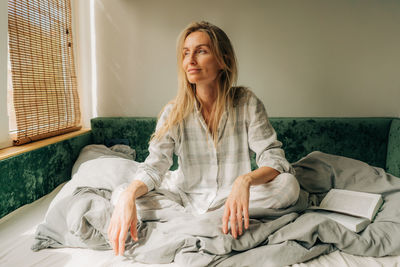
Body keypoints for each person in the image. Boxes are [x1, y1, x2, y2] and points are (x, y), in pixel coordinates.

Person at [107, 21, 300, 256]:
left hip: (231, 198)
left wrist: (244, 181)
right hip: (184, 199)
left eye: (201, 51)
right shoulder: (174, 112)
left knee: (289, 185)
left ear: (223, 60)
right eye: (186, 53)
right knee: (121, 195)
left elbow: (274, 159)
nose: (190, 60)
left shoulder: (247, 103)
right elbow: (155, 167)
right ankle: (211, 226)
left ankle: (193, 228)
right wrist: (129, 195)